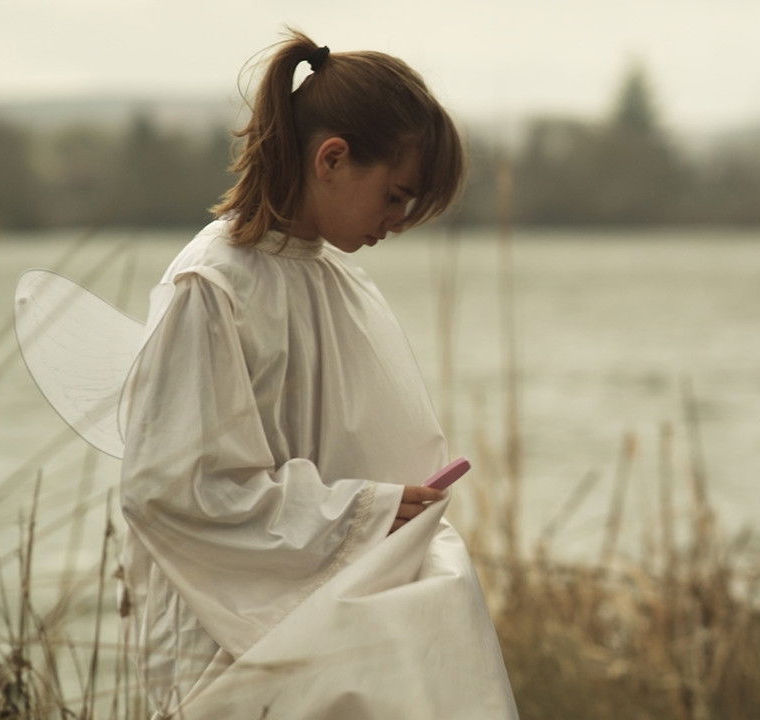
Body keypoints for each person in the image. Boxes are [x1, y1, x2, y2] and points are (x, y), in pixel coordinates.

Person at [115, 29, 519, 719]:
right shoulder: (212, 286)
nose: (399, 221)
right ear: (332, 158)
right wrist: (361, 514)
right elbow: (173, 490)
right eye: (395, 195)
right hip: (230, 636)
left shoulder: (339, 280)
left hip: (333, 619)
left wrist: (394, 509)